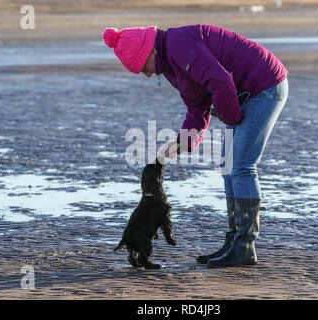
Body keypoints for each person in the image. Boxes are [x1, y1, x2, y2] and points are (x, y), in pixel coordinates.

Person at [103, 24, 288, 267]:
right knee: (227, 165)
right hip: (242, 94)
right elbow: (197, 104)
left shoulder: (180, 45)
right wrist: (184, 141)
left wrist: (231, 119)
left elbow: (220, 81)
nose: (146, 74)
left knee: (241, 166)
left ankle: (245, 245)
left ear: (151, 53)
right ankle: (234, 241)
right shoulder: (170, 65)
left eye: (142, 67)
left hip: (263, 86)